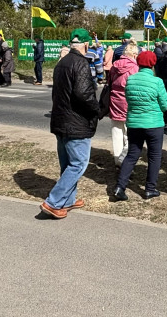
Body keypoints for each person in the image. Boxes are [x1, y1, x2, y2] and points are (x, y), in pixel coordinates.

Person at [40, 28, 100, 219]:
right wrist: (97, 110)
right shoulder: (81, 63)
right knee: (78, 164)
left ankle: (68, 200)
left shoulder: (62, 62)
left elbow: (56, 93)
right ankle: (53, 202)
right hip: (76, 122)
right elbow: (83, 94)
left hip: (61, 119)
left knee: (67, 163)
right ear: (86, 44)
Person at [112, 50, 167, 201]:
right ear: (153, 64)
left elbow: (129, 101)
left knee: (132, 155)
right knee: (154, 157)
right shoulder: (157, 82)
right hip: (154, 124)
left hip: (134, 123)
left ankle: (120, 187)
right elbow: (165, 105)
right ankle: (150, 189)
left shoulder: (130, 80)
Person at [108, 43, 139, 167]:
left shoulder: (114, 66)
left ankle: (117, 160)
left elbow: (109, 83)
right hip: (128, 102)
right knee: (129, 134)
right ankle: (124, 160)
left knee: (117, 132)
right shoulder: (135, 68)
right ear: (134, 55)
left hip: (115, 101)